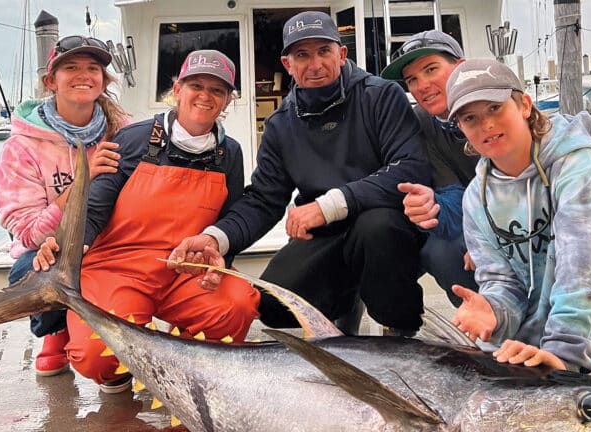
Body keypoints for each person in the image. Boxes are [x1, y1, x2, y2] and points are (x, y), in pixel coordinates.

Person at [168, 11, 431, 336]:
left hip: (384, 225)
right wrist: (215, 238)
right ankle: (345, 302)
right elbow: (264, 200)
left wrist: (327, 206)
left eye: (324, 51)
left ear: (341, 53)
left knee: (377, 231)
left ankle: (400, 326)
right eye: (302, 55)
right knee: (274, 306)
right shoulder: (281, 124)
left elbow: (410, 168)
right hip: (326, 235)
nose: (315, 63)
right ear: (287, 64)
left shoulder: (381, 96)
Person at [34, 49, 260, 393]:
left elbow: (228, 217)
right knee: (97, 354)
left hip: (184, 271)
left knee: (238, 305)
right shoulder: (132, 138)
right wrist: (69, 246)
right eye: (196, 85)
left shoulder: (230, 153)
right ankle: (117, 374)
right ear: (178, 88)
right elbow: (94, 210)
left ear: (228, 99)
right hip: (117, 268)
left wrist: (218, 262)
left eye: (217, 90)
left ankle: (185, 362)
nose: (205, 96)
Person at [442, 58, 591, 381]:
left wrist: (562, 355)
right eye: (470, 117)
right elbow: (503, 283)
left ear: (524, 105)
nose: (485, 124)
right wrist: (494, 311)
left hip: (585, 342)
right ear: (460, 128)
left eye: (495, 108)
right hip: (517, 345)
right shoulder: (475, 198)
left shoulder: (576, 166)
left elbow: (585, 271)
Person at [0, 35, 130, 377]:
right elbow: (25, 233)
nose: (83, 75)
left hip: (114, 243)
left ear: (104, 80)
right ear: (50, 81)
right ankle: (55, 330)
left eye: (92, 68)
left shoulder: (125, 132)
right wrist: (80, 183)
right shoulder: (21, 147)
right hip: (52, 247)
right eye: (71, 67)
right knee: (29, 268)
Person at [381, 30, 479, 306]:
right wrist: (431, 203)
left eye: (431, 69)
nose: (421, 85)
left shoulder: (497, 106)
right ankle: (487, 331)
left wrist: (490, 238)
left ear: (460, 67)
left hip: (534, 220)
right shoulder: (422, 121)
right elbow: (452, 194)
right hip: (476, 220)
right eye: (412, 79)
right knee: (440, 250)